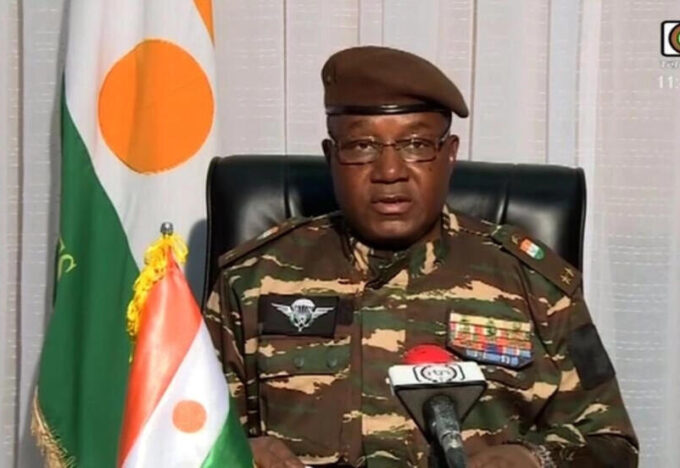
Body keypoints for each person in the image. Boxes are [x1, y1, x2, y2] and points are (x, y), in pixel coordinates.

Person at [204, 46, 638, 468]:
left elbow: (612, 444)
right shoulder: (253, 280)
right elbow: (183, 429)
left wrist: (533, 459)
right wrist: (239, 454)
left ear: (450, 154)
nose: (389, 172)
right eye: (361, 146)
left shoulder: (535, 285)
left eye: (415, 144)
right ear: (331, 157)